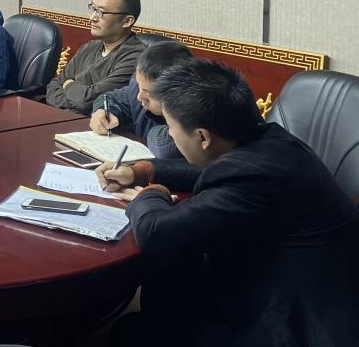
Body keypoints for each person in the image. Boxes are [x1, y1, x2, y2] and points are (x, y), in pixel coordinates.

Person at [98, 59, 359, 346]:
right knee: (165, 290)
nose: (169, 133)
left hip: (295, 323)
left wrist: (150, 194)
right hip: (285, 280)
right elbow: (213, 168)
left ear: (202, 136)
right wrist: (145, 170)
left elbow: (155, 233)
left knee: (131, 332)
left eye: (171, 126)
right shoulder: (268, 138)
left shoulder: (253, 179)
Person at [44, 0, 144, 113]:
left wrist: (68, 85)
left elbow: (90, 101)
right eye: (92, 9)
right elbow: (53, 87)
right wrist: (75, 100)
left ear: (127, 21)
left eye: (101, 12)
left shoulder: (137, 57)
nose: (92, 18)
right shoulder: (89, 47)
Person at [88, 39, 193, 158]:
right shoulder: (140, 86)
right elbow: (110, 98)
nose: (139, 96)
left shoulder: (195, 108)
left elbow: (166, 147)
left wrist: (152, 132)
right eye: (139, 85)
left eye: (149, 92)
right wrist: (103, 111)